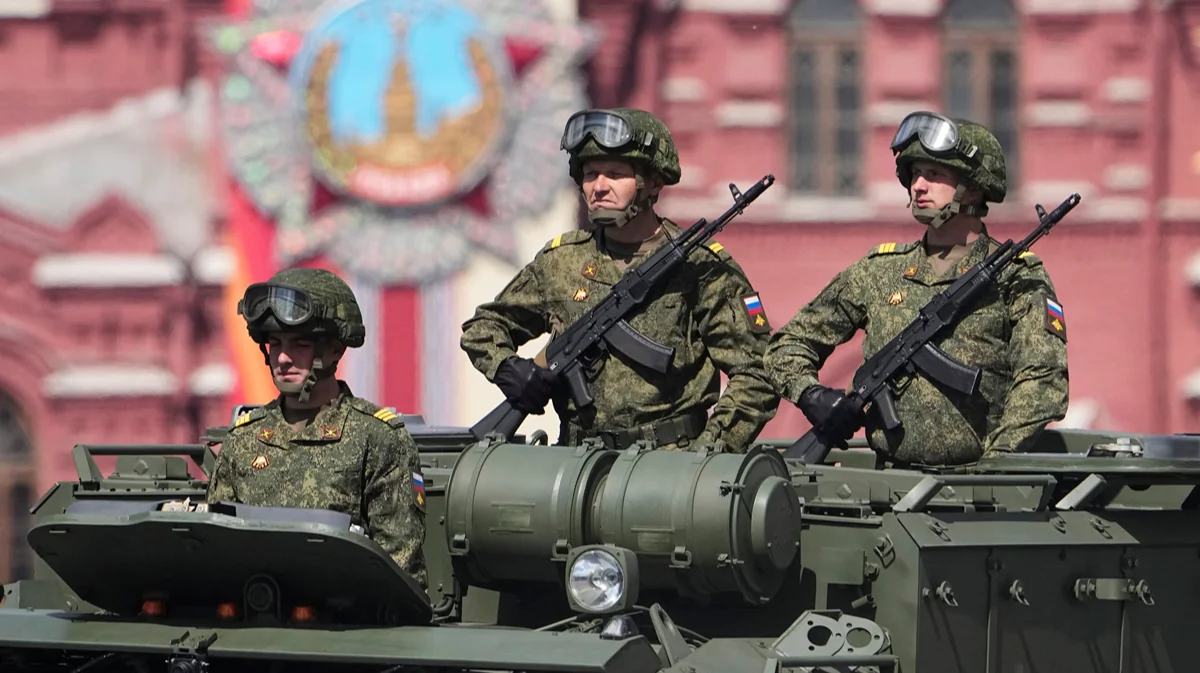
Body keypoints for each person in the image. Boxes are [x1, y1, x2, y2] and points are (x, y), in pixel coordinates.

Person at [460, 107, 779, 453]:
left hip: (669, 465)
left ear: (652, 182)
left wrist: (707, 452)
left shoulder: (700, 266)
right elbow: (484, 327)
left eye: (614, 174)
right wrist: (508, 369)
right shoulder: (562, 261)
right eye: (590, 174)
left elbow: (758, 373)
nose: (599, 187)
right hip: (575, 463)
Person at [764, 111, 1069, 467]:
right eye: (915, 174)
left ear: (973, 186)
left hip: (975, 486)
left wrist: (995, 467)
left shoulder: (1016, 276)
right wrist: (811, 394)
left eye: (935, 174)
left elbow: (1043, 380)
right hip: (885, 482)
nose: (918, 186)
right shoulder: (880, 271)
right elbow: (788, 344)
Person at [207, 267, 428, 590]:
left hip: (346, 618)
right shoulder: (244, 439)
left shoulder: (378, 439)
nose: (283, 358)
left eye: (299, 344)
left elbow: (401, 573)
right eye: (274, 344)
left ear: (335, 349)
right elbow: (216, 553)